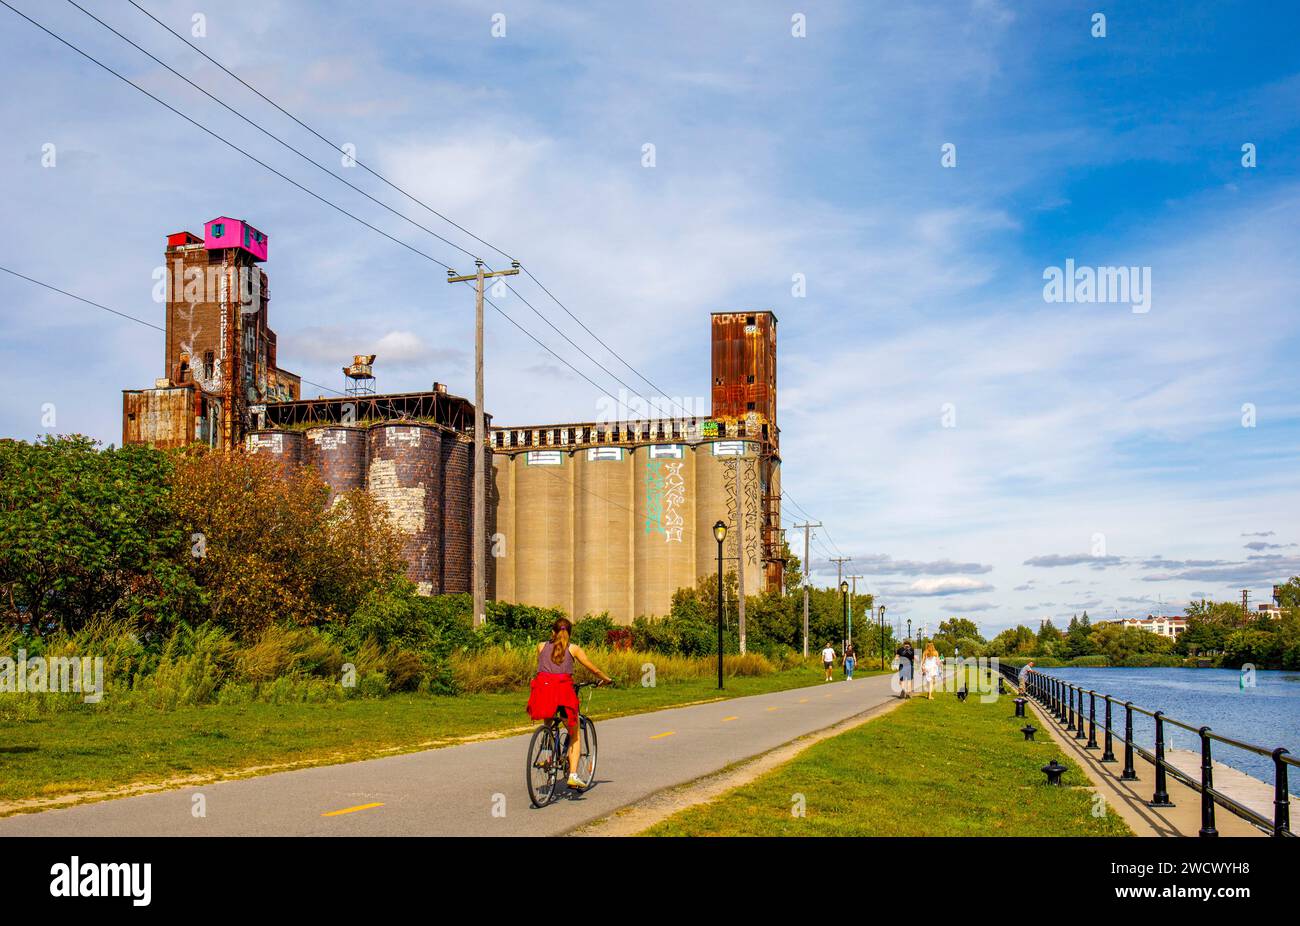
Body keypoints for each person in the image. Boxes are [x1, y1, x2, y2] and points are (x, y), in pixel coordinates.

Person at [526, 617, 611, 791]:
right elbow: (592, 669)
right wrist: (606, 679)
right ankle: (572, 775)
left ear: (553, 632)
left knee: (548, 720)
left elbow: (543, 668)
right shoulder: (573, 649)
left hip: (543, 692)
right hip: (564, 693)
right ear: (569, 633)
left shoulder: (541, 646)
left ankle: (548, 749)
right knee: (574, 734)